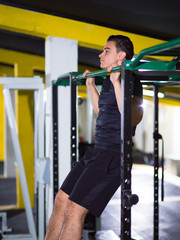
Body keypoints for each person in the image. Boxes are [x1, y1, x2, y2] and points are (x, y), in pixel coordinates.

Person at [45, 35, 143, 240]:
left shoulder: (131, 78)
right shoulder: (109, 79)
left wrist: (118, 84)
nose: (101, 54)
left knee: (74, 209)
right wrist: (91, 86)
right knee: (61, 200)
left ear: (121, 56)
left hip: (113, 155)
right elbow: (104, 110)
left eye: (106, 50)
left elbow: (133, 118)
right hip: (97, 151)